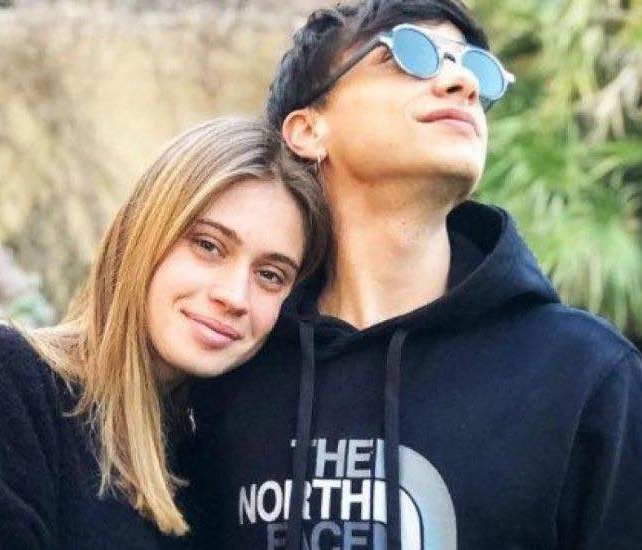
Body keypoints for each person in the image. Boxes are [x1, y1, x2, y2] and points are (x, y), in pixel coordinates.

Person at [181, 2, 642, 549]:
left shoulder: (584, 373)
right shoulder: (228, 365)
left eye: (476, 69)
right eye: (411, 55)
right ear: (307, 130)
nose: (462, 83)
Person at [0, 117, 330, 549]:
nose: (235, 296)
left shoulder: (216, 468)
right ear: (144, 234)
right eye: (208, 245)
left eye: (270, 275)